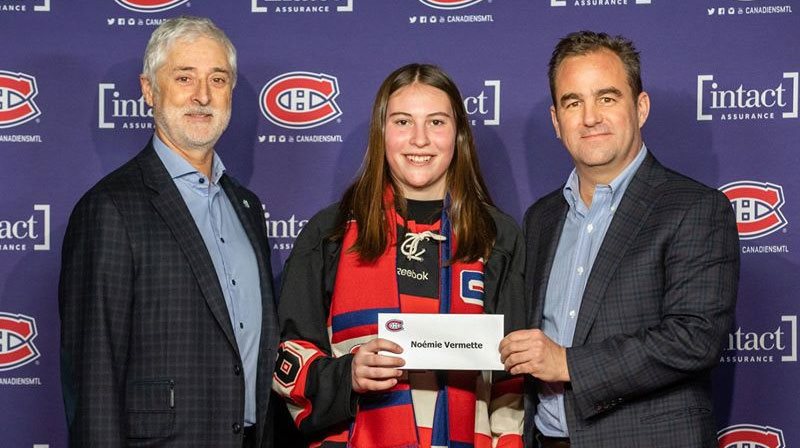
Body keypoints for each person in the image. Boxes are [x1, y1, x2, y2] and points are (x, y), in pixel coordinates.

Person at [499, 31, 740, 447]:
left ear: (640, 108)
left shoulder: (695, 208)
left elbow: (695, 337)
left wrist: (568, 363)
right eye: (573, 102)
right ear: (557, 121)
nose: (590, 117)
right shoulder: (542, 217)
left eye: (607, 98)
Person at [272, 63, 525, 447]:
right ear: (382, 133)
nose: (420, 139)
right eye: (403, 122)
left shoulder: (498, 237)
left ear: (458, 135)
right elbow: (288, 360)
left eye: (437, 122)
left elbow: (513, 380)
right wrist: (348, 375)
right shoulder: (331, 233)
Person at [59, 16, 278, 447]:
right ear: (148, 90)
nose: (202, 95)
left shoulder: (247, 207)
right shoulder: (110, 207)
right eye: (184, 77)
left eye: (218, 79)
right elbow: (93, 378)